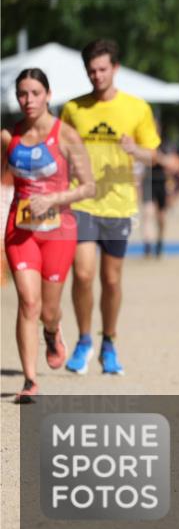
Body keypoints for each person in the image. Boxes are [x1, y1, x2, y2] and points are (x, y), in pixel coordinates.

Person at [61, 39, 161, 375]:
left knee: (112, 280)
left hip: (119, 205)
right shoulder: (73, 109)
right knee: (83, 273)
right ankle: (84, 339)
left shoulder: (137, 108)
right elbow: (60, 149)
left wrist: (135, 150)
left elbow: (153, 155)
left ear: (115, 68)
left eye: (103, 69)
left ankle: (109, 341)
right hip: (82, 200)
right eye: (91, 70)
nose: (97, 76)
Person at [3, 68, 95, 402]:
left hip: (58, 232)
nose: (28, 100)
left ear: (48, 95)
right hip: (20, 230)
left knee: (48, 310)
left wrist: (54, 198)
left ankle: (53, 332)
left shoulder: (66, 135)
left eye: (35, 93)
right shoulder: (8, 135)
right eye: (22, 94)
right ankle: (29, 381)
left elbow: (89, 186)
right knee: (29, 301)